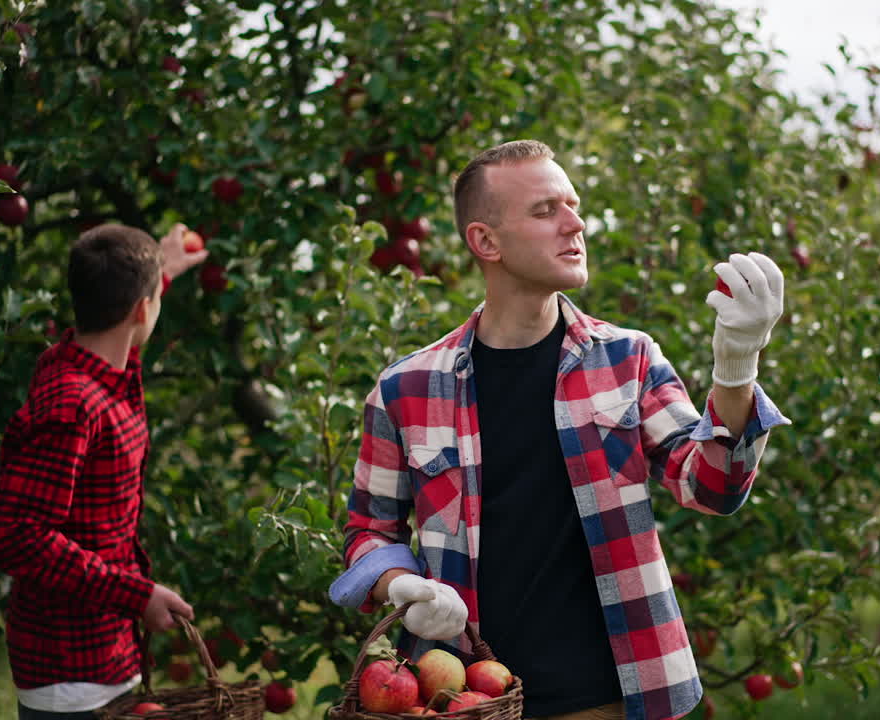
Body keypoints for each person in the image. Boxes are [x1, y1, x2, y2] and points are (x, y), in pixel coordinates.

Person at [330, 140, 790, 720]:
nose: (575, 223)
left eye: (573, 205)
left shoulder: (629, 359)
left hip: (613, 696)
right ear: (486, 242)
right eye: (546, 210)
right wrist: (399, 585)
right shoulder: (406, 389)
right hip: (464, 697)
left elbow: (712, 488)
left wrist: (736, 371)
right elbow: (367, 532)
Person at [0, 223, 207, 720]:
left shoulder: (85, 365)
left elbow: (123, 329)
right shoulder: (72, 405)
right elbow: (15, 536)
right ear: (139, 310)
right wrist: (138, 593)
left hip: (109, 650)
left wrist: (160, 271)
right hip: (71, 672)